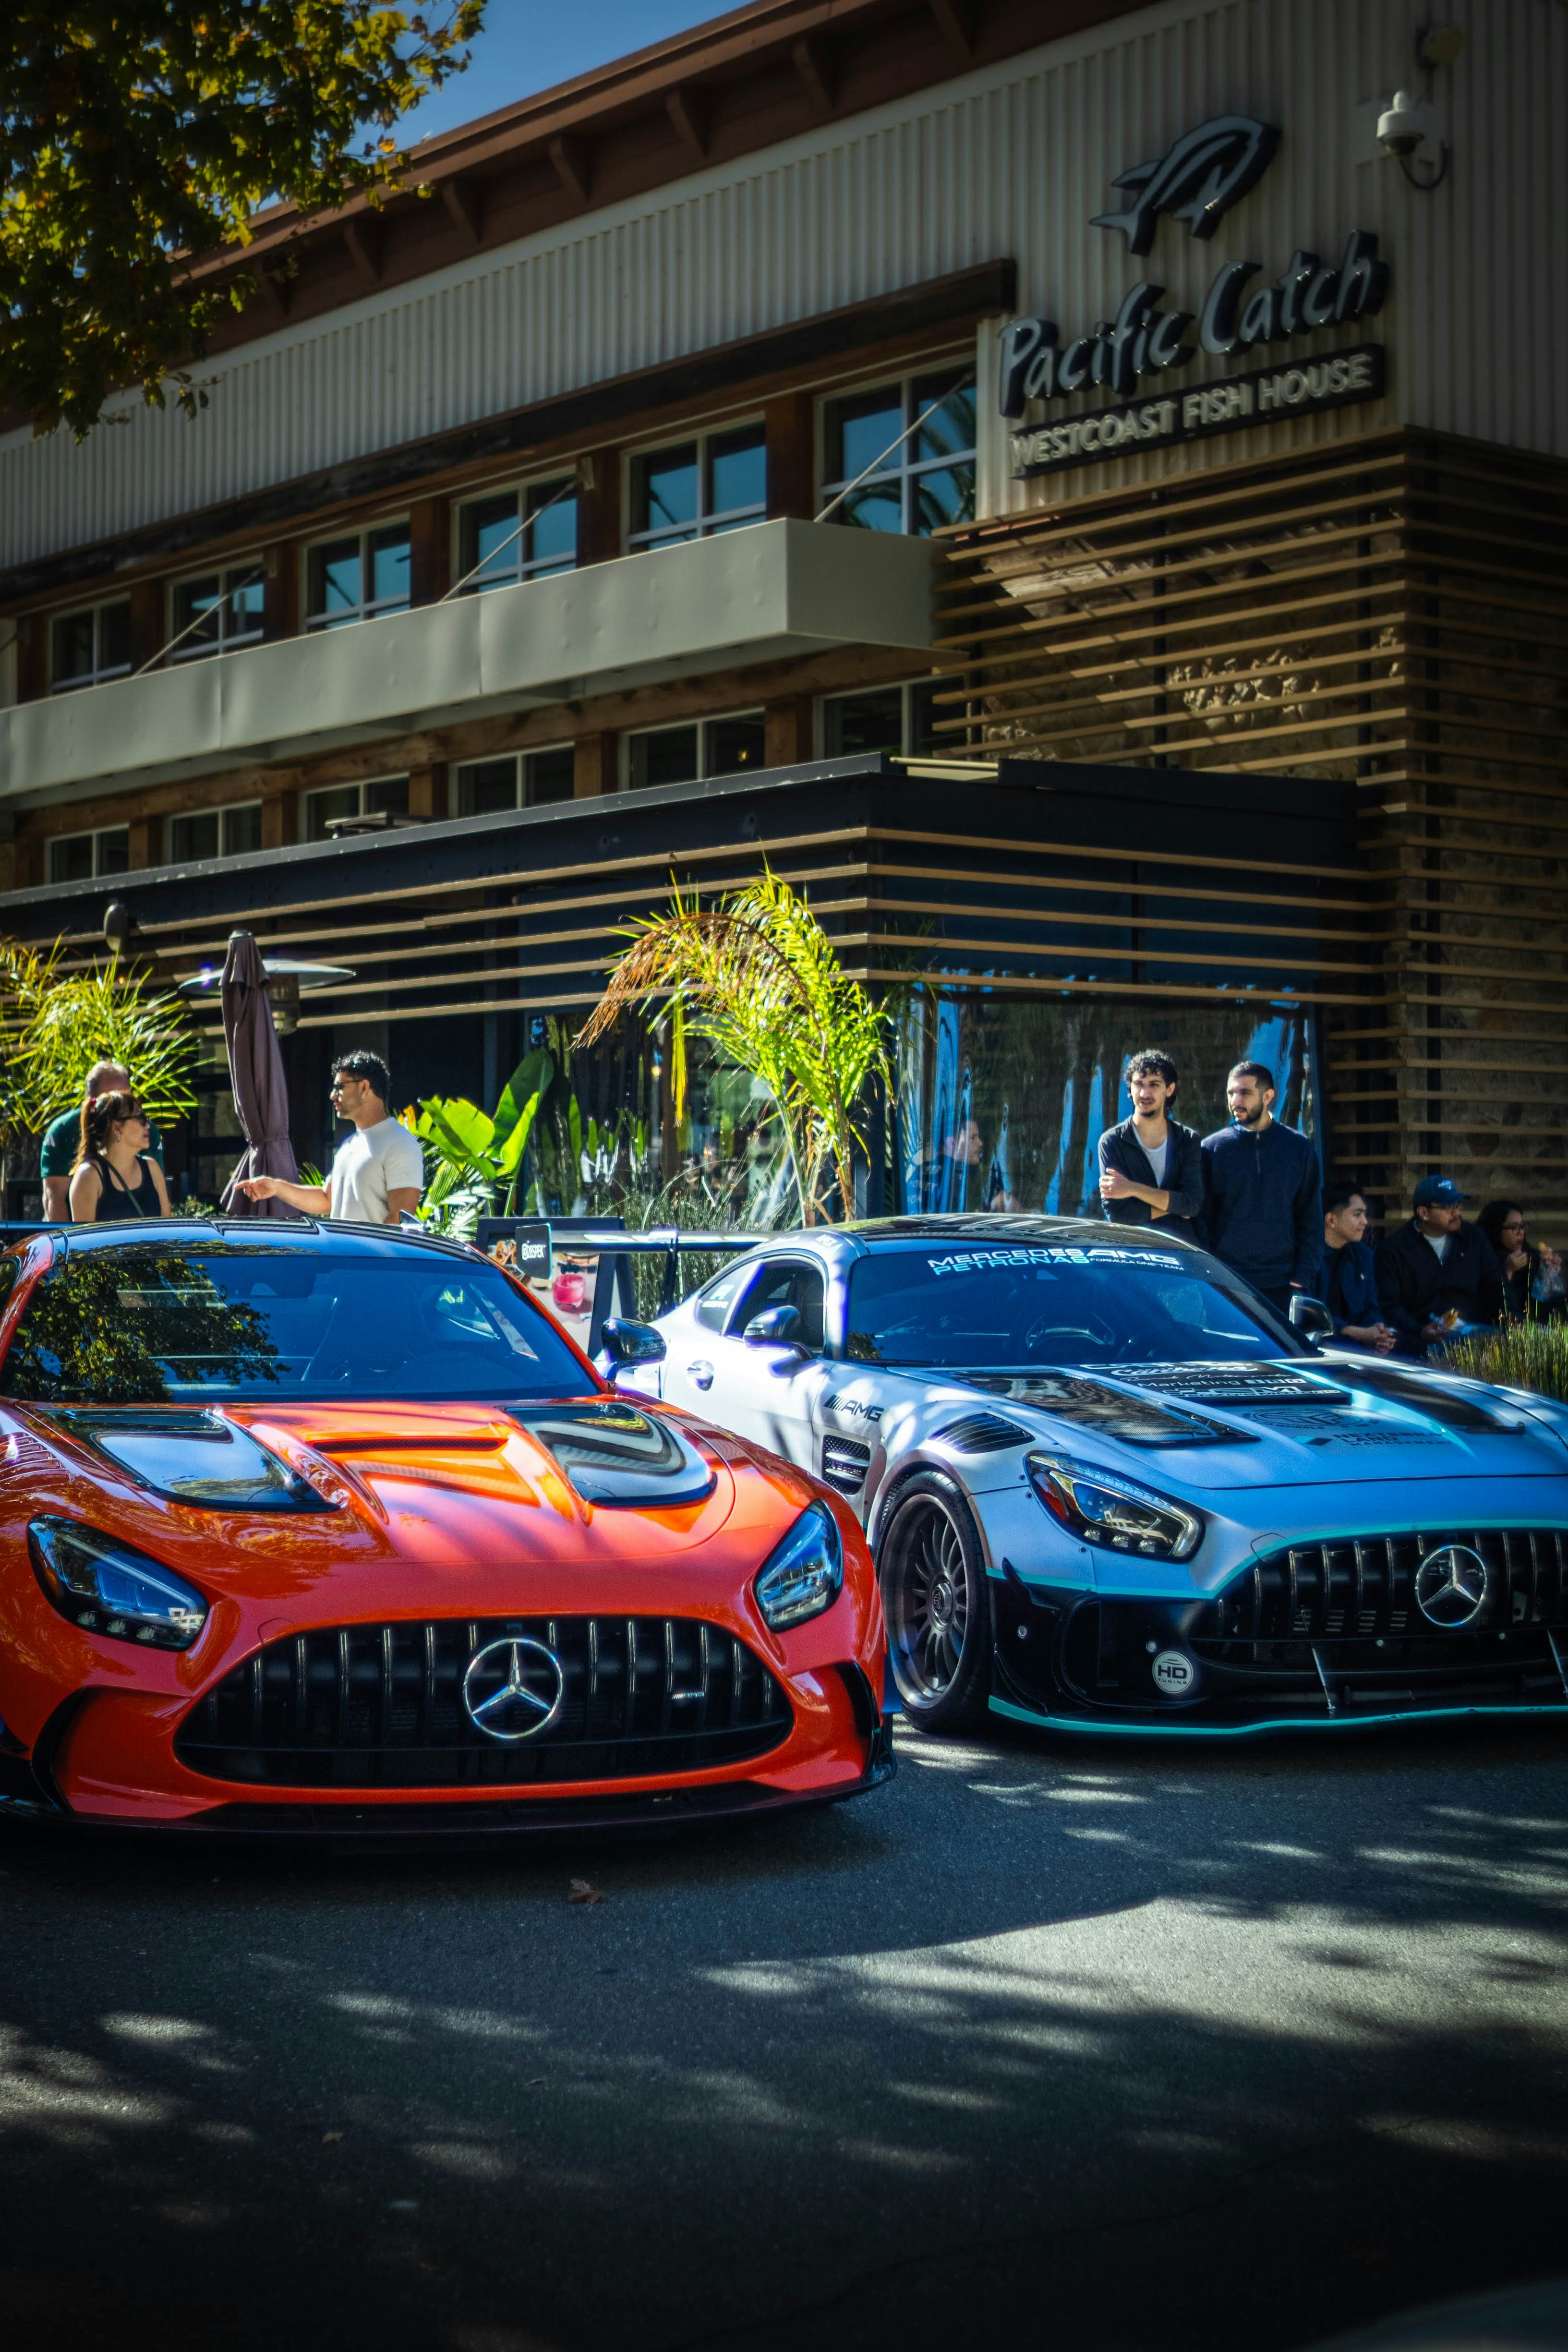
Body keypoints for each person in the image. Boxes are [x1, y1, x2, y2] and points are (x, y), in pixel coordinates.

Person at [236, 1050, 422, 1225]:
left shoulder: (399, 1143)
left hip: (366, 1260)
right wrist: (277, 1187)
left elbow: (400, 1219)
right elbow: (327, 1200)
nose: (332, 1096)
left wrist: (368, 1261)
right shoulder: (350, 1145)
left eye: (340, 1087)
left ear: (364, 1087)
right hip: (340, 1259)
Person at [1198, 1061, 1322, 1313]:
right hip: (1227, 1282)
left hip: (1283, 1282)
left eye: (1245, 1093)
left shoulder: (1298, 1148)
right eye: (1231, 1093)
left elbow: (1310, 1217)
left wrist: (1301, 1278)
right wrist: (1211, 1275)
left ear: (1268, 1097)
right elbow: (1201, 1220)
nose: (1236, 1100)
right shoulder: (1212, 1149)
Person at [1374, 1174, 1503, 1357]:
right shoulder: (1394, 1250)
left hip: (1475, 1333)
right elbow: (1390, 1307)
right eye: (1448, 1208)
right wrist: (1421, 1330)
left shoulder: (1474, 1238)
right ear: (1424, 1213)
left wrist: (1513, 1323)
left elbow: (1497, 1285)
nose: (1457, 1213)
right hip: (1419, 1341)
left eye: (1458, 1206)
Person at [1098, 1048, 1203, 1243]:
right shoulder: (1112, 1141)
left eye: (1154, 1085)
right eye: (1139, 1084)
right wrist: (1172, 1206)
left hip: (1181, 1249)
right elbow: (1119, 1215)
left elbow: (1191, 1205)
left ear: (1169, 1089)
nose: (1145, 1093)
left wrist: (1133, 1189)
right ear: (1130, 1088)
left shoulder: (1188, 1139)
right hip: (1133, 1250)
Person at [42, 1061, 163, 1222]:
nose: (124, 1100)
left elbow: (164, 1220)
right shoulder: (63, 1132)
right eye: (116, 1096)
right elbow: (54, 1200)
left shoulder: (148, 1136)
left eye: (128, 1094)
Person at [67, 1091, 173, 1222]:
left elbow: (167, 1229)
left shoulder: (152, 1168)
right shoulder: (89, 1176)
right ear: (117, 1128)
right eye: (141, 1118)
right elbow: (84, 1241)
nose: (148, 1125)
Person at [1321, 1181, 1396, 1352]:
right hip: (1316, 1347)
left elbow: (1371, 1306)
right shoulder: (1309, 1256)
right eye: (1357, 1214)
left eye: (1365, 1214)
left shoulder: (1363, 1255)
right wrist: (1360, 1333)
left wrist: (1379, 1333)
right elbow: (1310, 1315)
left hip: (1356, 1348)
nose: (1365, 1222)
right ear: (1332, 1219)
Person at [1476, 1199, 1565, 1323]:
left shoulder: (1532, 1257)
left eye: (1522, 1226)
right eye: (1514, 1227)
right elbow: (1490, 1305)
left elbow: (1548, 1309)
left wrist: (1549, 1273)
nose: (1521, 1232)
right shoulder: (1484, 1258)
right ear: (1496, 1229)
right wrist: (1507, 1272)